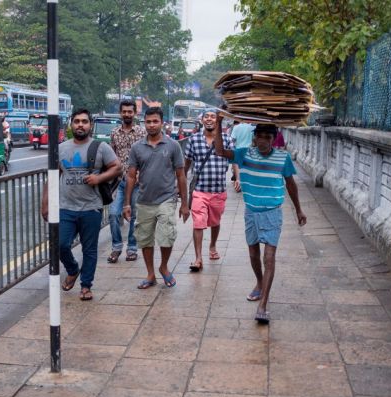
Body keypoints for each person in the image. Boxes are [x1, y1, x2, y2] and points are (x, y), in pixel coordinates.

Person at [212, 118, 307, 324]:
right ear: (254, 138)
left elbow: (291, 185)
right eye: (260, 136)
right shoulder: (244, 154)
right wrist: (219, 123)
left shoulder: (283, 158)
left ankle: (263, 304)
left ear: (274, 139)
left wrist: (299, 209)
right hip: (251, 212)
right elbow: (220, 151)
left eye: (268, 137)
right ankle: (259, 282)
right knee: (253, 253)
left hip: (272, 212)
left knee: (269, 257)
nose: (263, 140)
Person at [42, 109, 122, 301]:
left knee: (90, 249)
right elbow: (52, 177)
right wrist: (45, 202)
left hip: (91, 208)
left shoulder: (100, 147)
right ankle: (72, 269)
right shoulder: (60, 148)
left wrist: (99, 177)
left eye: (84, 121)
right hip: (65, 207)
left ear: (90, 125)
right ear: (71, 125)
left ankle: (86, 286)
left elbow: (117, 168)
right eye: (76, 121)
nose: (80, 125)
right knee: (60, 244)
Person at [123, 106, 189, 289]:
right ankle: (150, 274)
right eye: (148, 122)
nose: (151, 125)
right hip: (144, 201)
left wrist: (185, 204)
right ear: (144, 123)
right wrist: (126, 203)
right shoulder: (137, 148)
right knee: (145, 239)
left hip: (166, 199)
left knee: (167, 236)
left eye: (155, 121)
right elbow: (130, 176)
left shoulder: (173, 146)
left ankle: (164, 267)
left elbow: (181, 175)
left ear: (162, 123)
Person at [184, 109, 239, 272]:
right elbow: (186, 163)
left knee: (215, 222)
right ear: (202, 120)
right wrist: (178, 183)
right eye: (206, 117)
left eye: (212, 117)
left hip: (218, 190)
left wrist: (237, 177)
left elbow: (234, 160)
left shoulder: (227, 139)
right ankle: (198, 258)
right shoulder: (194, 140)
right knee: (198, 223)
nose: (209, 119)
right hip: (199, 189)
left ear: (217, 120)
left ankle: (213, 245)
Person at [107, 100, 147, 263]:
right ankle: (116, 247)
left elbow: (147, 155)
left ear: (135, 113)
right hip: (119, 181)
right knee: (113, 214)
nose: (127, 114)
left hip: (138, 182)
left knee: (134, 216)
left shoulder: (142, 132)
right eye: (124, 111)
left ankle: (131, 248)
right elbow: (111, 155)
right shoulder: (114, 133)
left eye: (130, 111)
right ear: (120, 113)